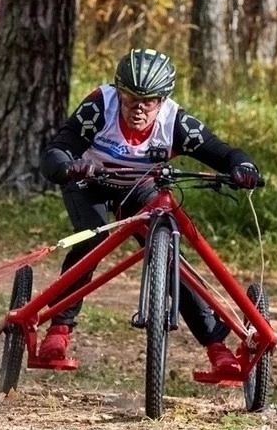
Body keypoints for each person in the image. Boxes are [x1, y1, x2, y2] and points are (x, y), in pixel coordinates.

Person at [36, 48, 263, 376]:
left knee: (169, 252)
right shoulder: (99, 105)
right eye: (130, 98)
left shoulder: (176, 122)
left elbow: (223, 153)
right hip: (88, 181)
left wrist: (243, 167)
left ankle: (217, 348)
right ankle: (58, 331)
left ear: (163, 99)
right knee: (91, 240)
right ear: (118, 91)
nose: (138, 109)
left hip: (139, 187)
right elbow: (56, 150)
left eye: (149, 101)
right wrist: (68, 167)